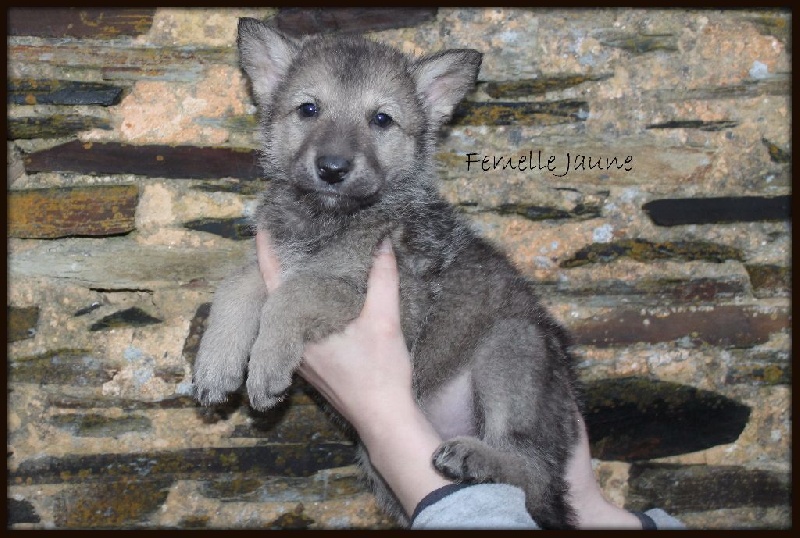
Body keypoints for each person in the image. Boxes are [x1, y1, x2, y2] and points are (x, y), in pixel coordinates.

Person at [255, 231, 683, 529]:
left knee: (516, 338)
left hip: (484, 427)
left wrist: (380, 415)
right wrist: (586, 507)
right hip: (427, 459)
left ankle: (517, 464)